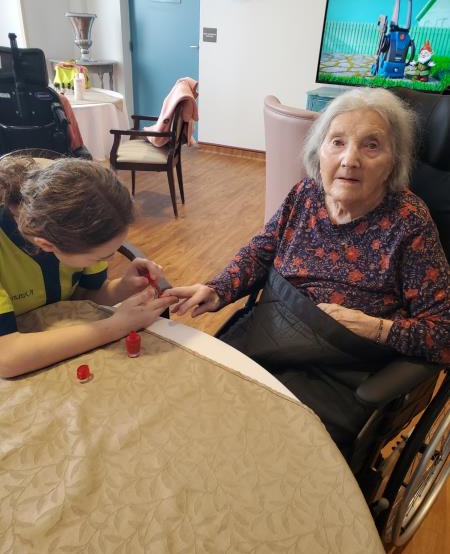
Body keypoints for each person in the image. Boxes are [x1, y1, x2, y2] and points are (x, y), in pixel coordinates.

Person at [163, 87, 450, 451]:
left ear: (394, 161)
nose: (349, 159)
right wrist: (217, 288)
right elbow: (261, 251)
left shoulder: (409, 223)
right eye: (337, 142)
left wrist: (377, 328)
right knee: (192, 409)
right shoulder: (305, 195)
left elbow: (443, 332)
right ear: (319, 151)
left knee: (258, 447)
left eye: (371, 145)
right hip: (268, 340)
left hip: (342, 373)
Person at [0, 156, 177, 378]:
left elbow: (84, 294)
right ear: (46, 245)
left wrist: (124, 286)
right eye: (102, 256)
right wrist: (117, 326)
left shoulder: (66, 228)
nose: (111, 259)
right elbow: (7, 358)